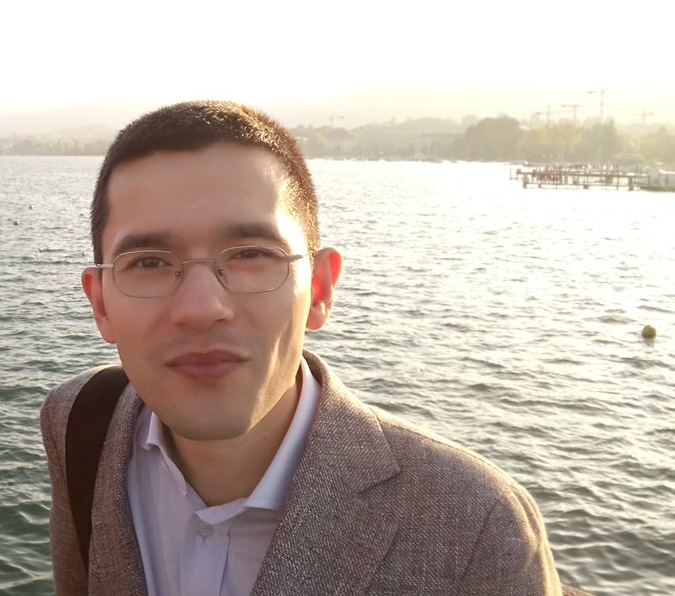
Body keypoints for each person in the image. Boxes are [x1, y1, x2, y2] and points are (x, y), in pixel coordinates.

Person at [40, 101, 569, 595]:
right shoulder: (79, 423)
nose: (201, 308)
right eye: (150, 263)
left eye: (251, 254)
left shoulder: (477, 529)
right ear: (101, 304)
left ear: (319, 290)